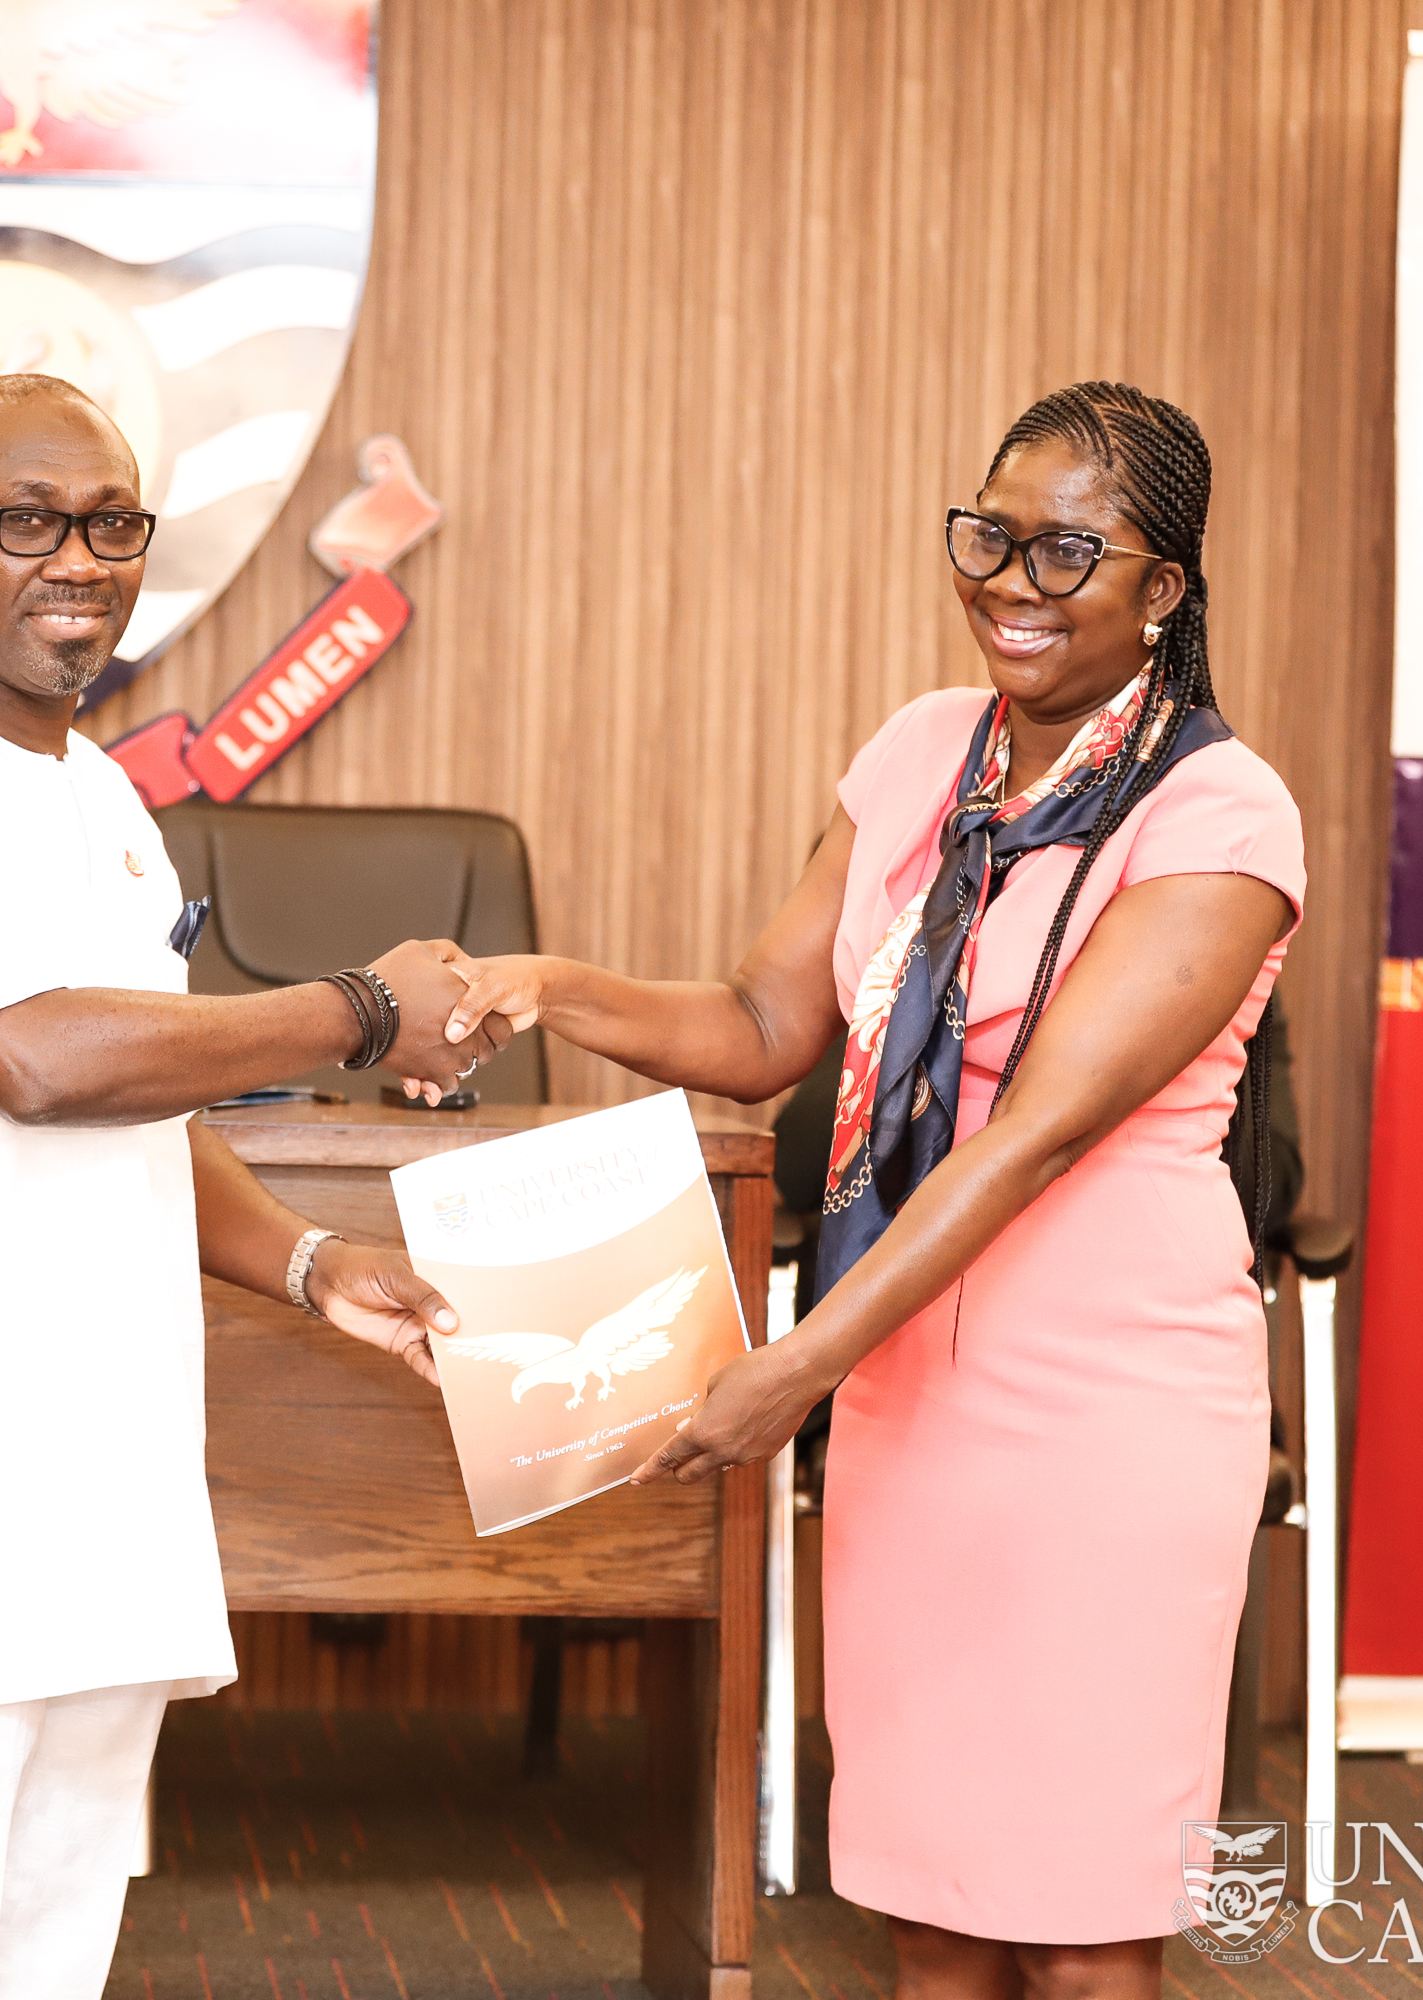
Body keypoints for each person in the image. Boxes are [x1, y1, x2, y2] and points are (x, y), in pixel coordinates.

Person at [438, 383, 1303, 2000]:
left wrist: (797, 1366)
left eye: (1068, 552)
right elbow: (762, 1027)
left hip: (1107, 1397)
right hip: (910, 1383)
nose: (1014, 584)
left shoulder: (1219, 812)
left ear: (1164, 588)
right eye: (991, 538)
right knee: (933, 1903)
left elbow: (1033, 1138)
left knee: (1085, 1929)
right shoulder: (921, 752)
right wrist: (540, 985)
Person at [0, 372, 502, 2000]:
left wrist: (306, 1262)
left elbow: (134, 1099)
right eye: (26, 521)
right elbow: (34, 1060)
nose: (77, 561)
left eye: (111, 525)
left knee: (50, 1954)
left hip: (100, 1494)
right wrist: (359, 1010)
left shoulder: (100, 797)